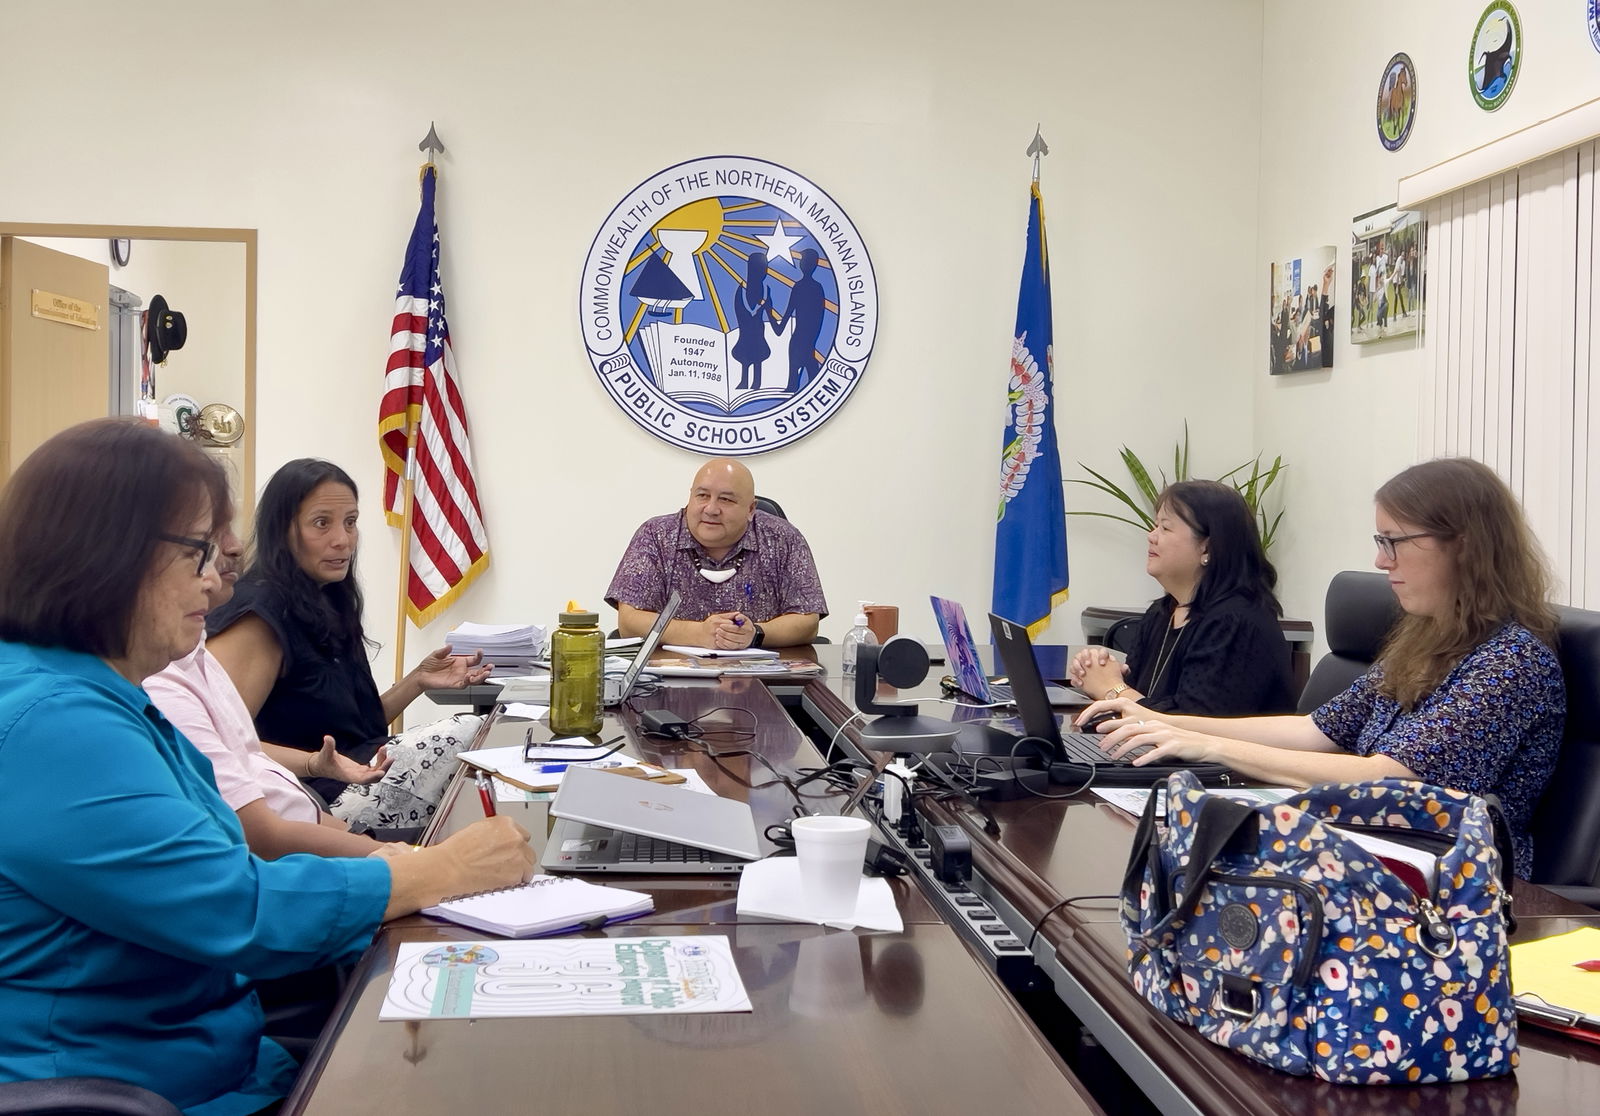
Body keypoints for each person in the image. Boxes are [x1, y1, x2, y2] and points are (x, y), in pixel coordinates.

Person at [0, 419, 533, 1114]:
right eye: (199, 553)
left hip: (221, 1054)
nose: (219, 588)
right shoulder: (53, 724)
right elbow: (237, 906)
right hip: (142, 1089)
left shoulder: (97, 692)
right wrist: (438, 870)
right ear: (107, 554)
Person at [1076, 457, 1564, 879]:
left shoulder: (1510, 662)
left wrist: (1213, 745)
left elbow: (1389, 777)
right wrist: (1160, 722)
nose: (1379, 559)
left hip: (1447, 880)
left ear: (1462, 545)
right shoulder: (1426, 640)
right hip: (1366, 845)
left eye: (1393, 541)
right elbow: (1313, 731)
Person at [206, 459, 490, 804]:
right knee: (467, 733)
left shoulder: (327, 598)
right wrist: (313, 764)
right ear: (281, 530)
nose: (343, 540)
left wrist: (418, 680)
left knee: (484, 737)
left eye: (350, 522)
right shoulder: (259, 614)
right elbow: (220, 743)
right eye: (321, 523)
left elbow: (356, 731)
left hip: (356, 779)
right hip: (306, 800)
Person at [147, 525, 393, 859]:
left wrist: (386, 849)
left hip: (313, 817)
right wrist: (408, 862)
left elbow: (250, 761)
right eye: (203, 542)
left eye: (351, 521)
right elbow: (260, 838)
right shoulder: (163, 678)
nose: (234, 547)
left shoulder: (196, 654)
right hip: (296, 845)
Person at [1069, 481, 1295, 717]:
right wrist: (1096, 675)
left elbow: (1193, 724)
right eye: (1155, 526)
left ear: (1207, 548)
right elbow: (1138, 696)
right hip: (1150, 750)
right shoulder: (1162, 612)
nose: (1151, 536)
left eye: (1165, 528)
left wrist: (1112, 690)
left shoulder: (1236, 623)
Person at [607, 457, 827, 648]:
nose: (711, 509)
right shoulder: (656, 535)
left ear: (751, 509)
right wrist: (699, 634)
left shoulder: (783, 538)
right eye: (702, 496)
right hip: (672, 682)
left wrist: (755, 634)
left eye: (726, 499)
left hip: (762, 680)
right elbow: (629, 622)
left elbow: (807, 621)